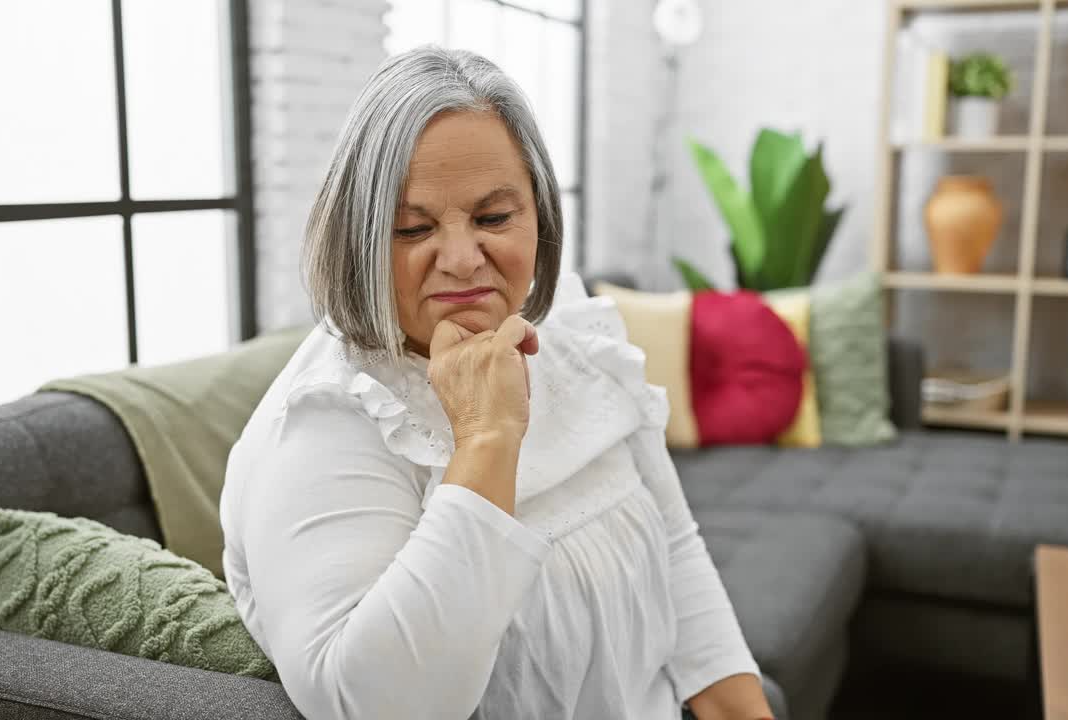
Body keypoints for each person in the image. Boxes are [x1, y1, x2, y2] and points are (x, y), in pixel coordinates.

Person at [219, 45, 774, 720]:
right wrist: (487, 439)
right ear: (356, 237)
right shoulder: (325, 422)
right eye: (412, 227)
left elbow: (677, 551)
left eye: (492, 218)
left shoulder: (573, 331)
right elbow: (372, 704)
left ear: (538, 216)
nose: (460, 259)